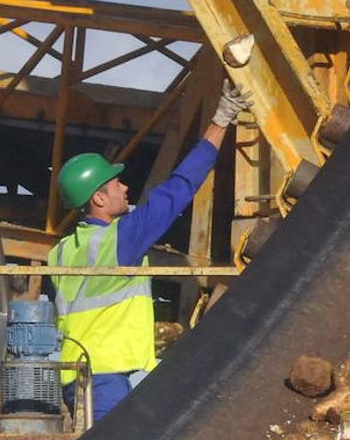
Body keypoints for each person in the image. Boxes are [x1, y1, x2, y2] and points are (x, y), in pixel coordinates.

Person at [49, 79, 253, 422]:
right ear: (98, 199)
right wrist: (221, 119)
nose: (125, 186)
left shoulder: (62, 251)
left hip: (80, 373)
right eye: (116, 184)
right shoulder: (120, 239)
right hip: (108, 376)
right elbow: (178, 188)